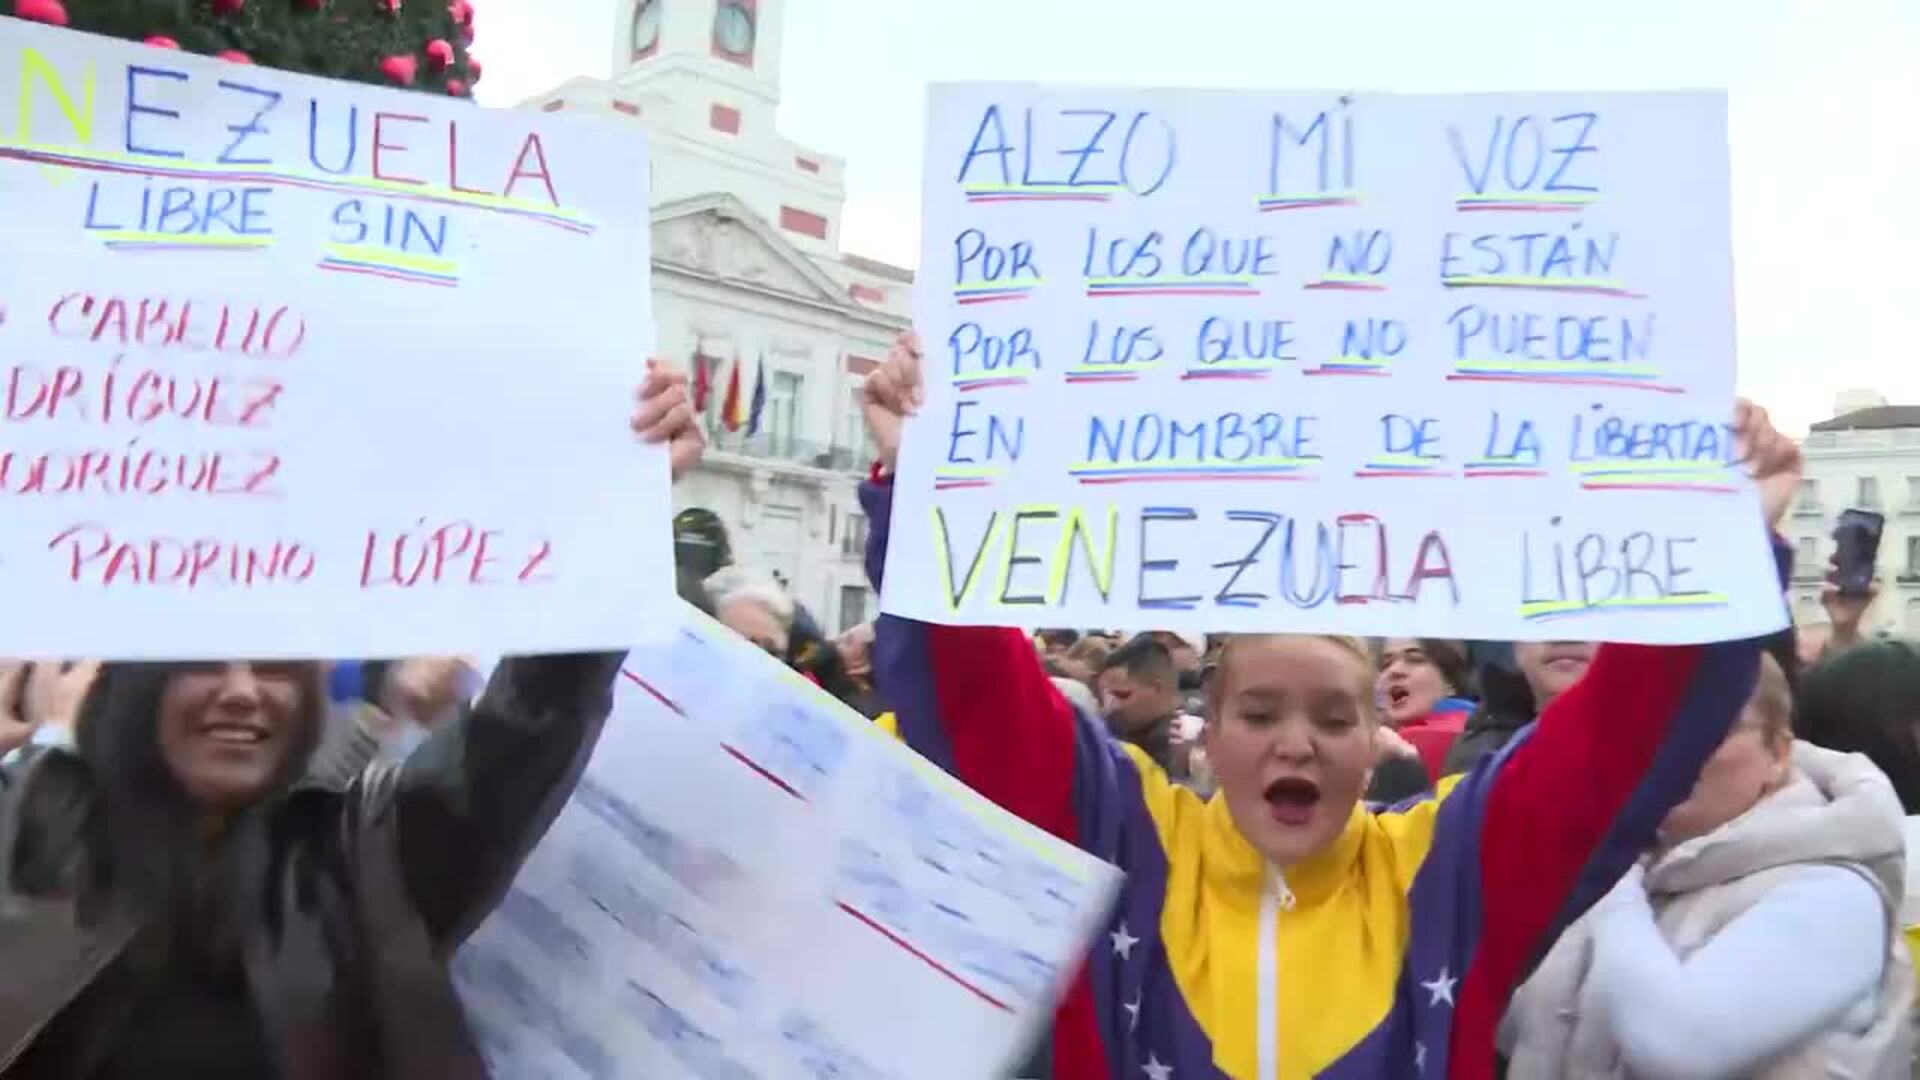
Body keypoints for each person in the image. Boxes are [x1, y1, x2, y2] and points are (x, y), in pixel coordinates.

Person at [858, 330, 1799, 1079]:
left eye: (1335, 719)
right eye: (1260, 715)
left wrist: (1726, 540)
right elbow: (974, 697)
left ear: (1375, 736)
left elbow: (1615, 744)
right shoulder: (1124, 837)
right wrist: (924, 479)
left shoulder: (1447, 871)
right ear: (1207, 731)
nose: (1297, 745)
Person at [0, 365, 704, 1078]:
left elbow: (532, 719)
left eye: (277, 665)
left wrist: (616, 515)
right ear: (124, 682)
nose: (246, 690)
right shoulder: (27, 835)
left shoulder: (364, 866)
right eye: (202, 660)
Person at [1504, 657, 1914, 1077]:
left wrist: (1611, 879)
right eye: (1642, 727)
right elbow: (1519, 1027)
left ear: (1778, 753)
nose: (1669, 749)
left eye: (1710, 726)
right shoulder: (1646, 864)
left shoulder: (1833, 891)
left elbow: (1676, 1044)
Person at [1375, 638, 1475, 781]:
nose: (1394, 670)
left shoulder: (1438, 737)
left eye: (1415, 659)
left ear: (1449, 683)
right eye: (1385, 664)